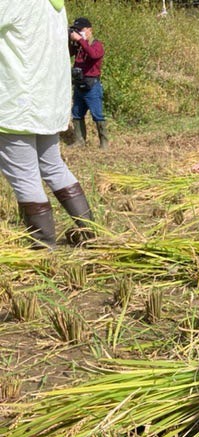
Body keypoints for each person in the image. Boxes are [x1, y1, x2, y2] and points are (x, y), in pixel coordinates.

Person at [0, 0, 96, 250]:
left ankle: (42, 247)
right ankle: (90, 231)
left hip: (15, 102)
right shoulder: (53, 4)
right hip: (46, 102)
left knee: (24, 175)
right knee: (52, 165)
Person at [68, 17, 108, 149]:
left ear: (89, 30)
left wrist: (80, 40)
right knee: (77, 113)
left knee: (97, 114)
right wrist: (71, 41)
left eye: (81, 30)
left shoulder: (96, 44)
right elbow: (68, 54)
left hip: (92, 85)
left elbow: (93, 55)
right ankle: (80, 141)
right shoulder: (79, 46)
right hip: (79, 84)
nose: (79, 32)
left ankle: (104, 143)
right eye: (77, 30)